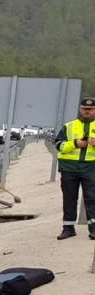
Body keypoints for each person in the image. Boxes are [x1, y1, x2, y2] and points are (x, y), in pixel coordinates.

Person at [55, 97, 95, 240]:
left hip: (91, 168)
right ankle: (68, 228)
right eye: (85, 109)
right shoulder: (69, 126)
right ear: (80, 109)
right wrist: (75, 144)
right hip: (69, 167)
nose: (87, 112)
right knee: (69, 198)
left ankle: (93, 229)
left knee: (92, 198)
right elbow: (58, 145)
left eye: (90, 109)